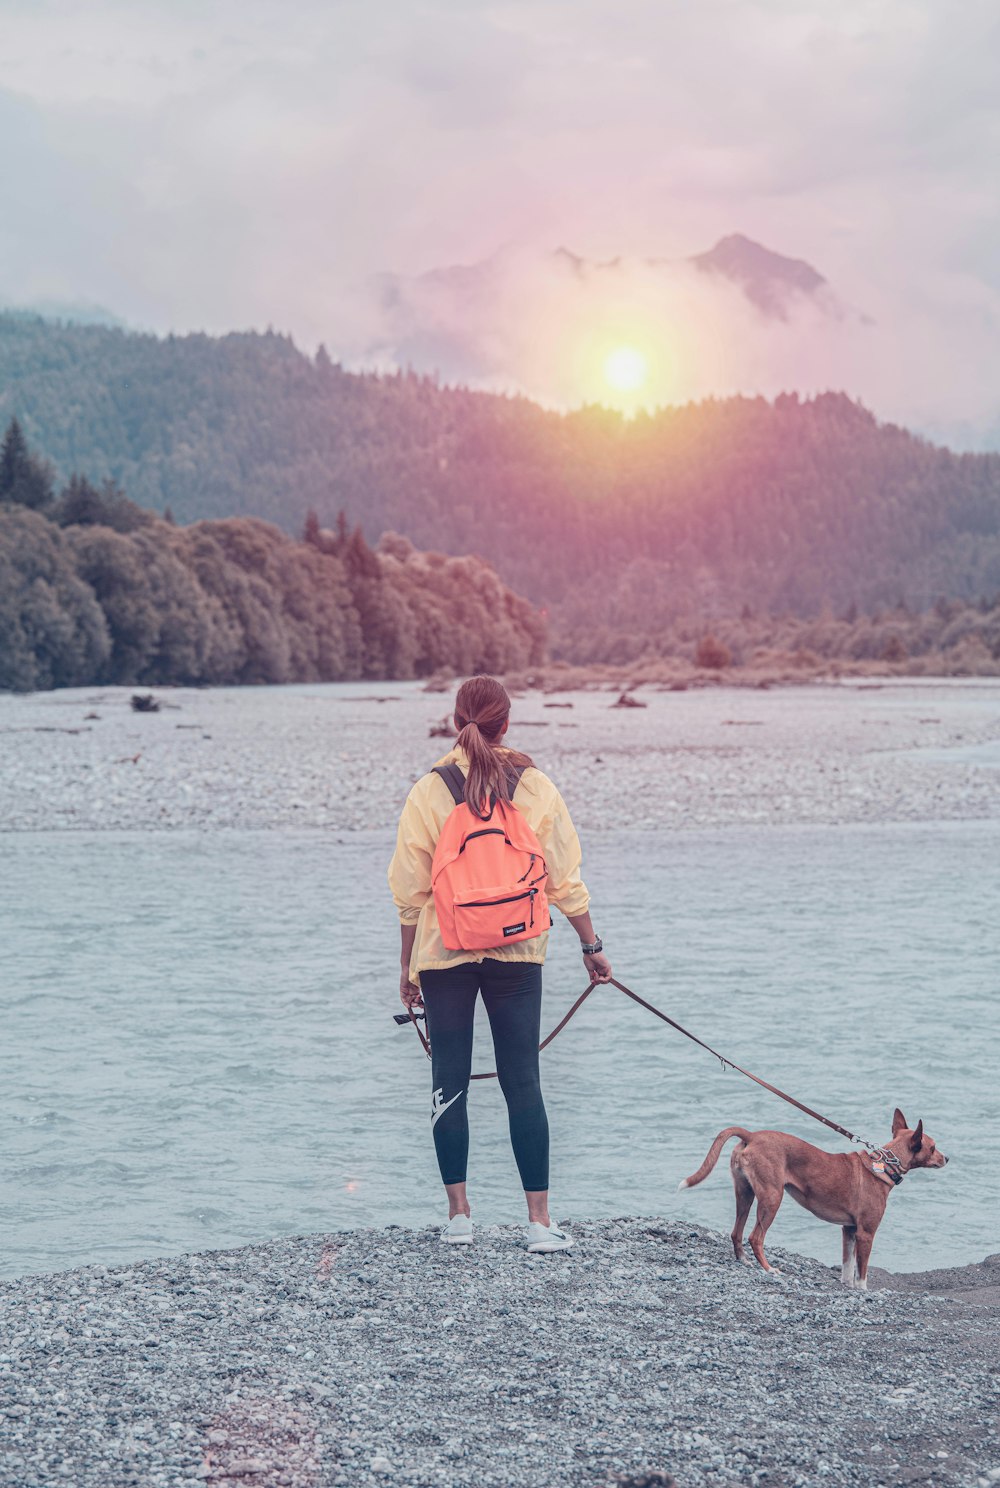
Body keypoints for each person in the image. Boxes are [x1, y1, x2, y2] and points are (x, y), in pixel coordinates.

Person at [388, 674, 612, 1252]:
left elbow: (410, 893)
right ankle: (538, 1224)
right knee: (523, 1081)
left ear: (454, 721)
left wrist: (409, 971)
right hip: (518, 951)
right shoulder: (534, 785)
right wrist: (591, 947)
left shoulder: (428, 790)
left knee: (449, 1082)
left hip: (444, 955)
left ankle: (459, 1217)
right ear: (507, 722)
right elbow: (564, 880)